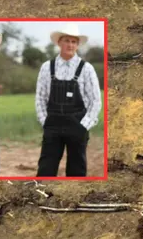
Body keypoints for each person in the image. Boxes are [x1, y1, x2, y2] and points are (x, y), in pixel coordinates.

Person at [35, 24, 102, 177]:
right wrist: (44, 121)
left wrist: (84, 125)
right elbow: (40, 97)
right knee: (46, 168)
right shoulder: (47, 67)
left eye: (73, 41)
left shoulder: (86, 68)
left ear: (77, 45)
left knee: (77, 169)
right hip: (53, 125)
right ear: (59, 42)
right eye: (66, 41)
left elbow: (95, 101)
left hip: (77, 124)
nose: (70, 45)